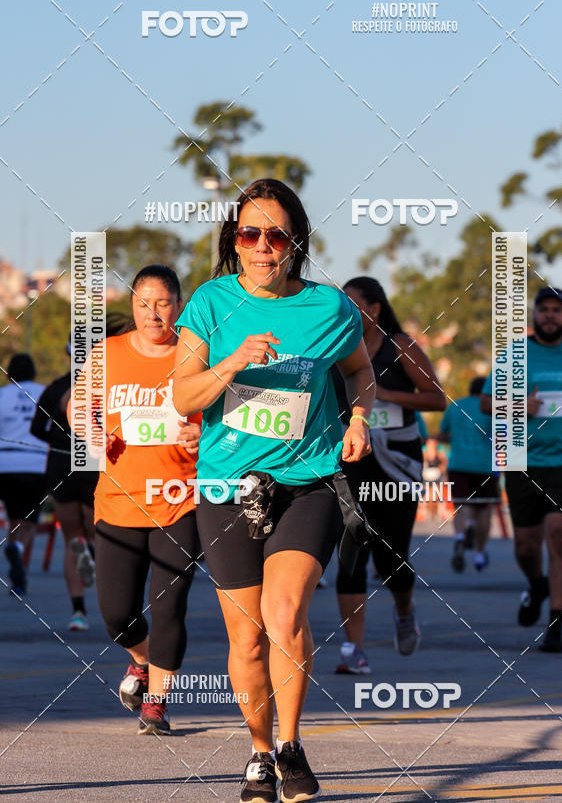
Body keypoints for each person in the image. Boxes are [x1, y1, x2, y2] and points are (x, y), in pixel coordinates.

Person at [173, 178, 374, 803]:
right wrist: (231, 363)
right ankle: (257, 751)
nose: (263, 246)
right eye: (249, 234)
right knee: (246, 637)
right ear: (235, 242)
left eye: (276, 235)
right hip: (229, 486)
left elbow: (361, 370)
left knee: (283, 616)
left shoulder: (329, 308)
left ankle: (289, 745)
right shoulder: (210, 303)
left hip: (307, 480)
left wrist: (359, 418)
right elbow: (182, 396)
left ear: (296, 243)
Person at [71, 265, 201, 734]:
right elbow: (78, 405)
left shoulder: (195, 354)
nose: (153, 312)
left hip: (180, 501)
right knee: (116, 613)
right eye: (144, 302)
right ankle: (141, 663)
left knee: (168, 605)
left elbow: (224, 415)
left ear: (178, 305)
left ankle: (158, 703)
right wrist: (91, 430)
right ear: (132, 306)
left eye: (163, 302)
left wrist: (200, 435)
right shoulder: (108, 354)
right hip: (119, 503)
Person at [332, 277, 446, 675]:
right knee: (351, 551)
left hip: (397, 462)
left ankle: (403, 608)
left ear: (375, 309)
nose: (345, 311)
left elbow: (437, 398)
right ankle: (353, 649)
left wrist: (381, 394)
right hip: (349, 459)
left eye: (353, 304)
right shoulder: (335, 344)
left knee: (390, 558)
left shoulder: (400, 346)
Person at [481, 287, 562, 652]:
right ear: (535, 313)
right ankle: (536, 584)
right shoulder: (514, 353)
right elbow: (486, 402)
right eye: (545, 310)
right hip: (520, 458)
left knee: (560, 535)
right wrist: (517, 404)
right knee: (525, 546)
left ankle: (555, 626)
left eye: (557, 311)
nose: (551, 316)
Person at [31, 314, 131, 631]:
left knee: (71, 536)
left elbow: (37, 428)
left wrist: (58, 443)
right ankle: (99, 594)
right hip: (92, 466)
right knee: (94, 537)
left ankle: (78, 612)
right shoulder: (107, 384)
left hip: (61, 470)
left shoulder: (57, 387)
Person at [0, 354, 48, 595]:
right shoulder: (44, 392)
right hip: (36, 464)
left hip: (5, 464)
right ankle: (18, 549)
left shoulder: (2, 395)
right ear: (33, 372)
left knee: (12, 518)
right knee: (29, 520)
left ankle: (17, 580)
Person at [439, 376, 498, 573]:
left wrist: (457, 438)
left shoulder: (456, 406)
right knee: (484, 509)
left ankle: (459, 538)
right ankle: (480, 554)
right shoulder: (491, 408)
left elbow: (442, 434)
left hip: (458, 463)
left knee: (460, 505)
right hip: (484, 465)